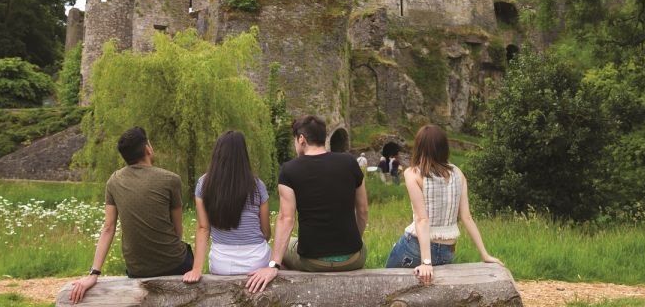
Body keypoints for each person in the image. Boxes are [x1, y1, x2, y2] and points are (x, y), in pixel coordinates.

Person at [69, 126, 193, 304]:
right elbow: (177, 230)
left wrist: (94, 273)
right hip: (174, 263)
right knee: (186, 251)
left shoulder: (114, 181)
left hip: (137, 269)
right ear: (148, 149)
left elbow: (108, 228)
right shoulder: (170, 179)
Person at [246, 115, 368, 293]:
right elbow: (363, 211)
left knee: (287, 246)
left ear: (301, 139)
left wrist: (273, 265)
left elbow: (286, 218)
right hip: (353, 259)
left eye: (295, 140)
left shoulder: (289, 170)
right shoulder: (350, 162)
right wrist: (352, 241)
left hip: (312, 261)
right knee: (362, 246)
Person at [385, 124, 501, 283]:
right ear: (444, 147)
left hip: (415, 248)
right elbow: (467, 217)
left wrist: (426, 262)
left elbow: (422, 219)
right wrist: (485, 255)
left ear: (419, 147)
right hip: (447, 250)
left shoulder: (412, 173)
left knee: (387, 280)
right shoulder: (457, 173)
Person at [183, 130, 271, 282]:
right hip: (257, 262)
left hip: (221, 264)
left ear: (217, 153)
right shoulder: (257, 185)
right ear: (243, 155)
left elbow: (203, 228)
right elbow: (266, 233)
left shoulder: (203, 184)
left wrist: (196, 269)